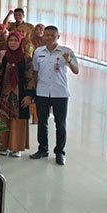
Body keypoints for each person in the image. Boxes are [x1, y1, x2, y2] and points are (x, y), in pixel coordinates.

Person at [30, 25, 79, 166]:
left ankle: (59, 152)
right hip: (42, 92)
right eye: (47, 35)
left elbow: (76, 70)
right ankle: (43, 149)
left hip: (60, 92)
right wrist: (33, 91)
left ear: (58, 36)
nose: (50, 38)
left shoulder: (66, 51)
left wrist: (69, 61)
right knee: (42, 122)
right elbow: (35, 71)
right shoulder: (38, 52)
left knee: (60, 124)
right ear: (43, 36)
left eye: (53, 35)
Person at [0, 32, 36, 157]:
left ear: (20, 42)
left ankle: (16, 147)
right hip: (4, 92)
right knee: (3, 118)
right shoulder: (3, 55)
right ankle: (2, 145)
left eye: (16, 40)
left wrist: (29, 95)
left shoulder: (26, 57)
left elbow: (30, 77)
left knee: (18, 119)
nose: (13, 43)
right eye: (11, 40)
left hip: (20, 92)